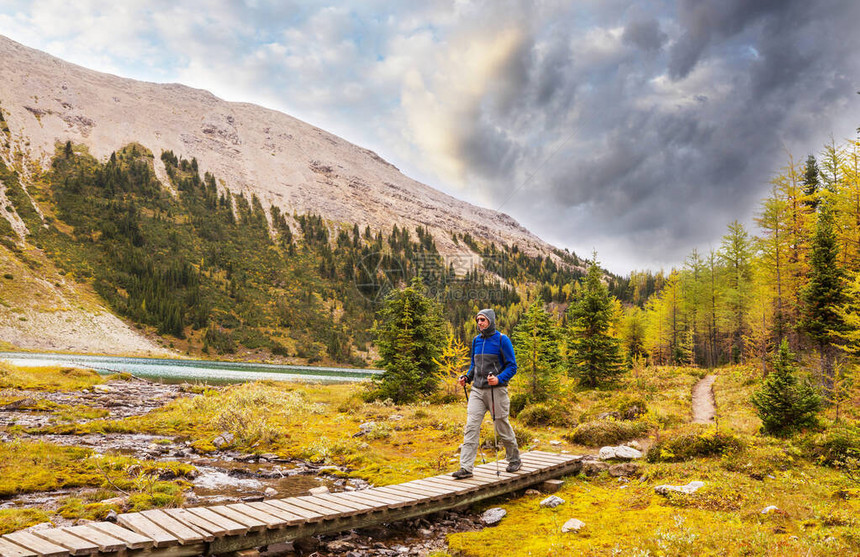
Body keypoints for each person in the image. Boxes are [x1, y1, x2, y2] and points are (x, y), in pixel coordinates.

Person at [452, 308, 521, 479]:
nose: (479, 323)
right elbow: (474, 365)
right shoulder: (476, 340)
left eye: (482, 320)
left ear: (490, 321)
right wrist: (467, 377)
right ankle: (466, 468)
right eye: (477, 320)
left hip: (496, 391)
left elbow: (512, 366)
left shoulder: (501, 339)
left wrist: (499, 379)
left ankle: (514, 459)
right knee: (471, 427)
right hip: (477, 390)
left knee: (501, 425)